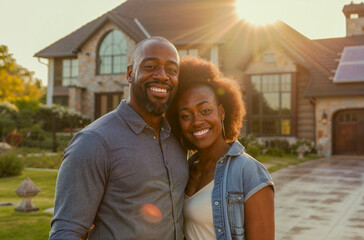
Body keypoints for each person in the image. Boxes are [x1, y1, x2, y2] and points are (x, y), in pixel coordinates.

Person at [49, 37, 189, 240]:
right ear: (130, 73)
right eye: (150, 66)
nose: (162, 76)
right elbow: (66, 232)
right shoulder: (94, 142)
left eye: (172, 70)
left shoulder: (177, 138)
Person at [166, 56, 275, 240]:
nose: (197, 121)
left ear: (222, 112)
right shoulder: (186, 171)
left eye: (205, 110)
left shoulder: (249, 173)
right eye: (186, 116)